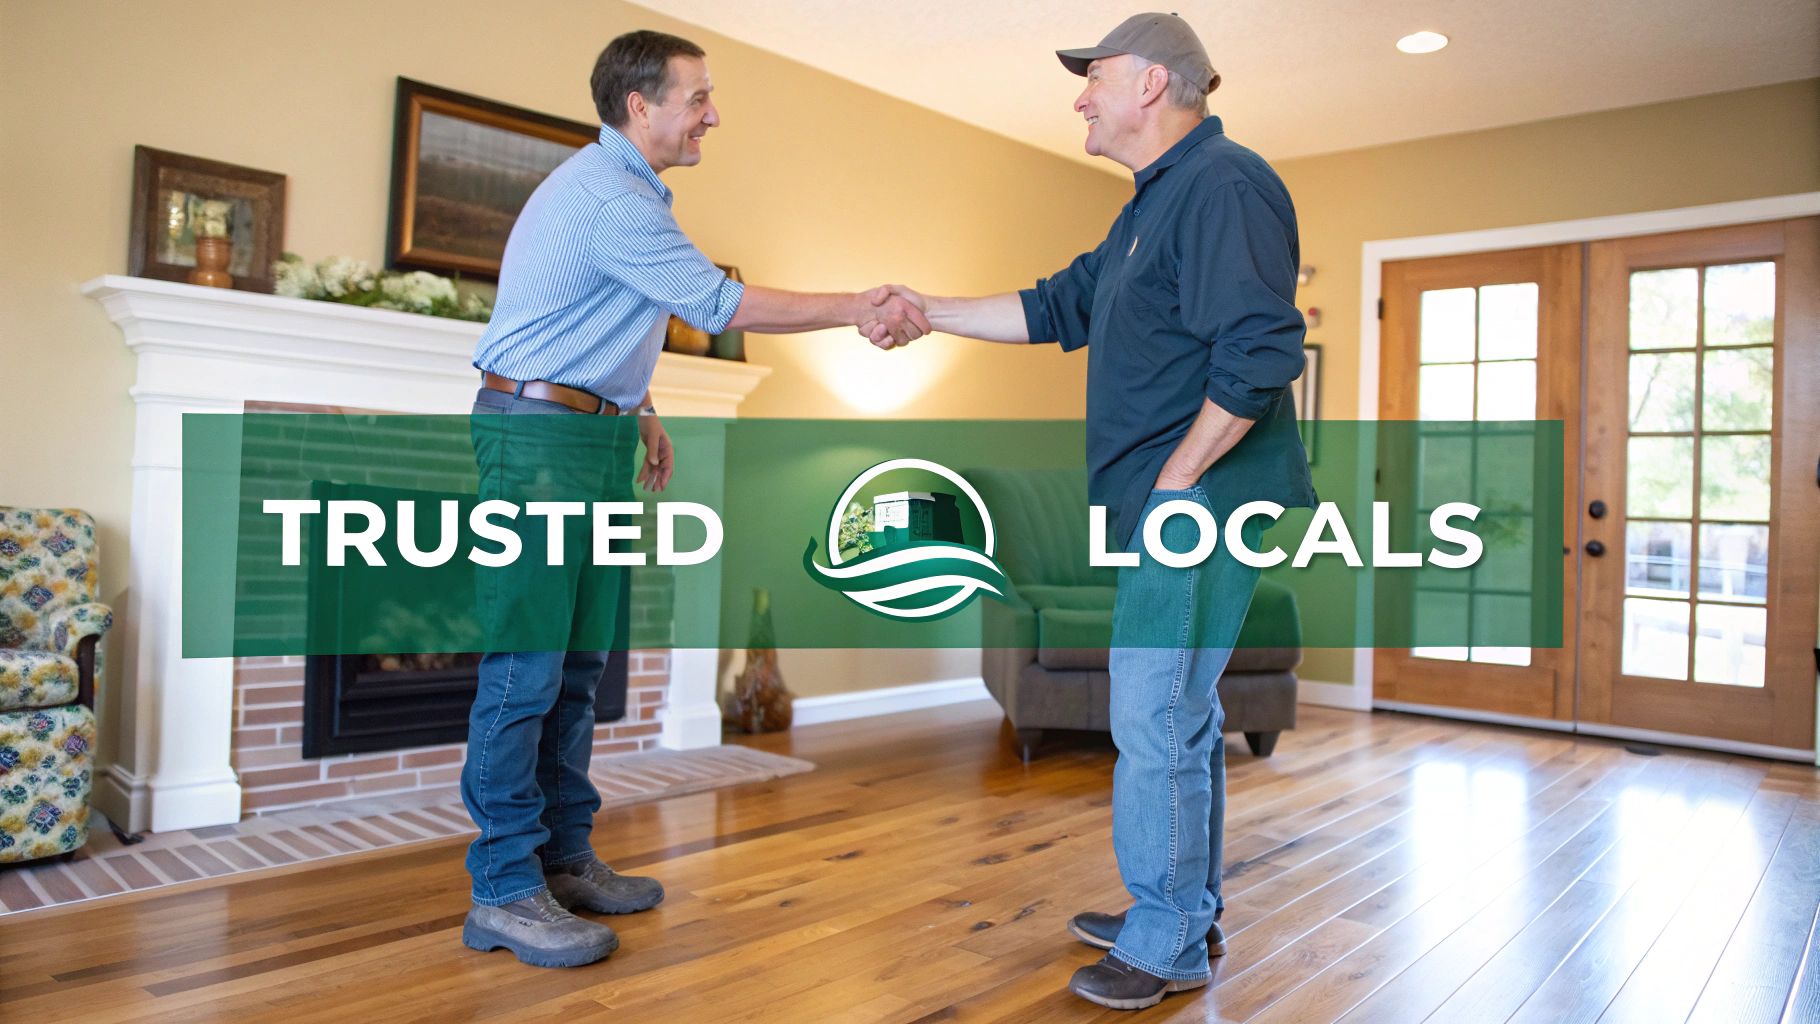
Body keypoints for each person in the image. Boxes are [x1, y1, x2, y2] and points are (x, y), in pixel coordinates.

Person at [861, 12, 1315, 1011]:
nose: (1078, 95)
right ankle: (1179, 911)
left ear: (1152, 84)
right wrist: (924, 308)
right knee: (1178, 720)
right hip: (1171, 503)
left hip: (1197, 503)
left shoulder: (1224, 185)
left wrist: (1180, 475)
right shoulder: (1151, 206)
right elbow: (1051, 307)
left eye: (1093, 77)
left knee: (1151, 714)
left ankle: (1163, 943)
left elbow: (1259, 352)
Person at [460, 28, 930, 969]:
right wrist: (858, 303)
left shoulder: (628, 194)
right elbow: (717, 306)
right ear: (642, 106)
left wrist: (638, 409)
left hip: (586, 434)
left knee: (579, 667)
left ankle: (563, 856)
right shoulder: (608, 194)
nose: (712, 112)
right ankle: (505, 889)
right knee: (525, 669)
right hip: (538, 441)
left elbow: (597, 315)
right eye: (699, 96)